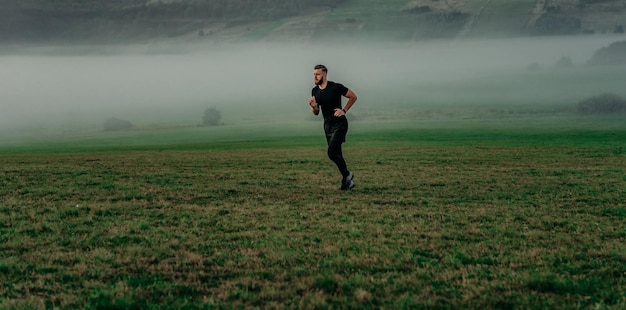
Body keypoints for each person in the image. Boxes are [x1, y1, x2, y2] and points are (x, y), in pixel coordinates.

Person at [308, 64, 358, 190]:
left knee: (331, 153)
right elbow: (316, 112)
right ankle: (347, 182)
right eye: (314, 74)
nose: (315, 76)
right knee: (337, 154)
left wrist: (344, 110)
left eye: (317, 74)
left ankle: (347, 175)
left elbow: (353, 96)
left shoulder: (335, 87)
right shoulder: (314, 91)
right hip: (327, 126)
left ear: (324, 75)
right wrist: (314, 107)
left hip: (339, 124)